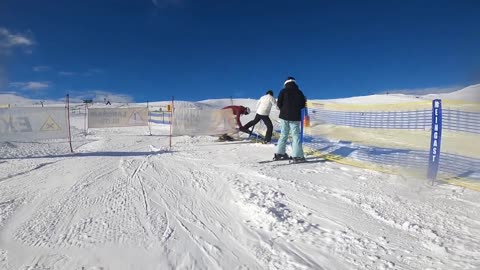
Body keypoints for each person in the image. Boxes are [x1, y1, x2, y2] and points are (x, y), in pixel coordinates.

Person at [274, 76, 307, 162]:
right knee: (295, 136)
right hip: (295, 117)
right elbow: (303, 105)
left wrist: (284, 110)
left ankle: (279, 153)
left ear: (286, 83)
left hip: (284, 116)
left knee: (283, 134)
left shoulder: (283, 91)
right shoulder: (300, 92)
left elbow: (279, 104)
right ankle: (297, 156)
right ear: (295, 83)